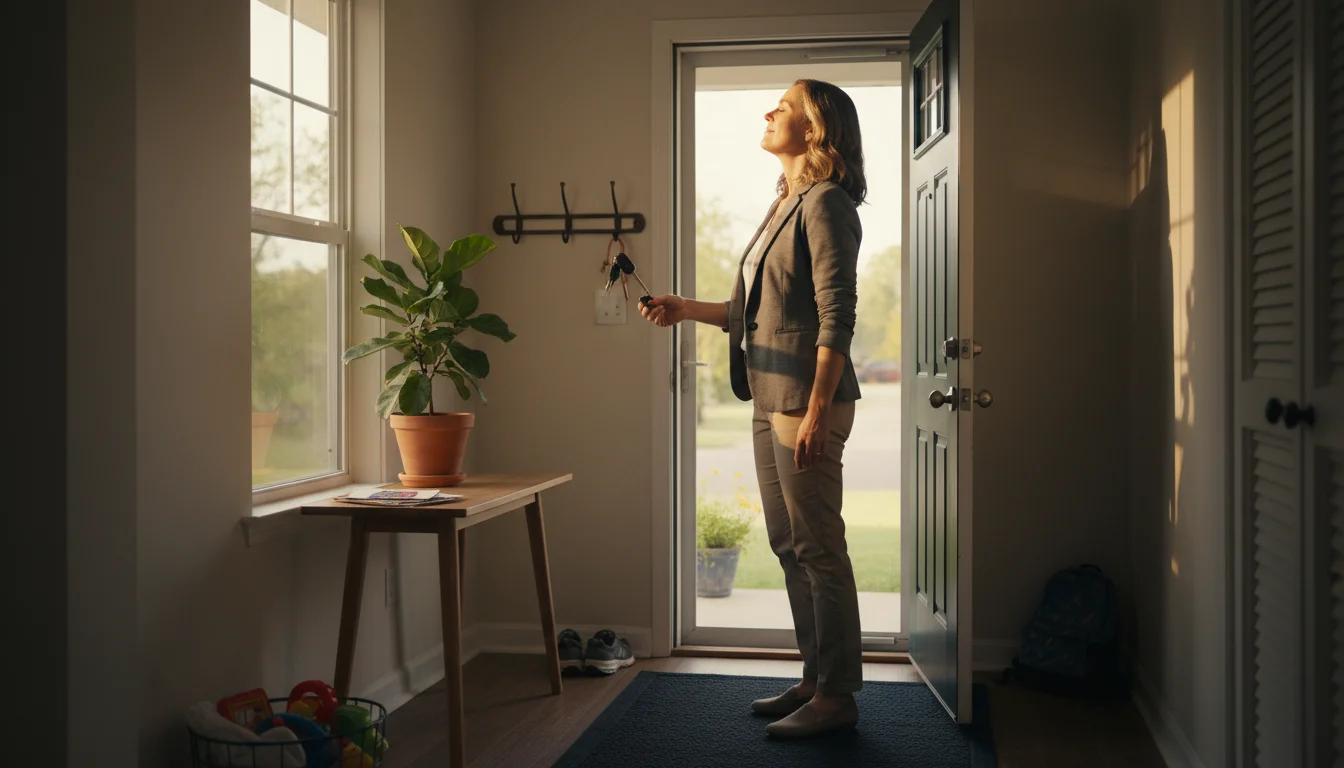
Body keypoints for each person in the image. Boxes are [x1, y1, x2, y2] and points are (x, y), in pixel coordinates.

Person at [640, 79, 865, 739]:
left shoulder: (825, 204)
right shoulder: (785, 204)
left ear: (816, 127)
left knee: (820, 548)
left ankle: (839, 697)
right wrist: (686, 309)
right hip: (770, 398)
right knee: (788, 544)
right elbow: (753, 313)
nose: (770, 111)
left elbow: (836, 314)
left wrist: (820, 411)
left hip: (806, 401)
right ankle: (813, 678)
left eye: (785, 106)